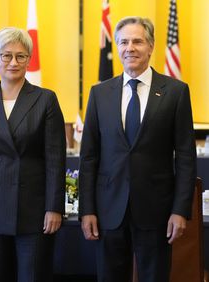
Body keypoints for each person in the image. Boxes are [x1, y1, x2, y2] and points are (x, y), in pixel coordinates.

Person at [79, 16, 197, 282]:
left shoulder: (175, 92)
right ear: (117, 47)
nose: (129, 48)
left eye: (137, 41)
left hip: (157, 211)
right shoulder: (100, 94)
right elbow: (88, 157)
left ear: (151, 46)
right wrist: (87, 209)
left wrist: (180, 211)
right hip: (109, 211)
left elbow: (186, 157)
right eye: (123, 42)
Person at [0, 27, 66, 282]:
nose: (13, 62)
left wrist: (54, 207)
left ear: (29, 60)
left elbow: (55, 159)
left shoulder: (45, 99)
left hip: (34, 208)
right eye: (6, 55)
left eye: (20, 56)